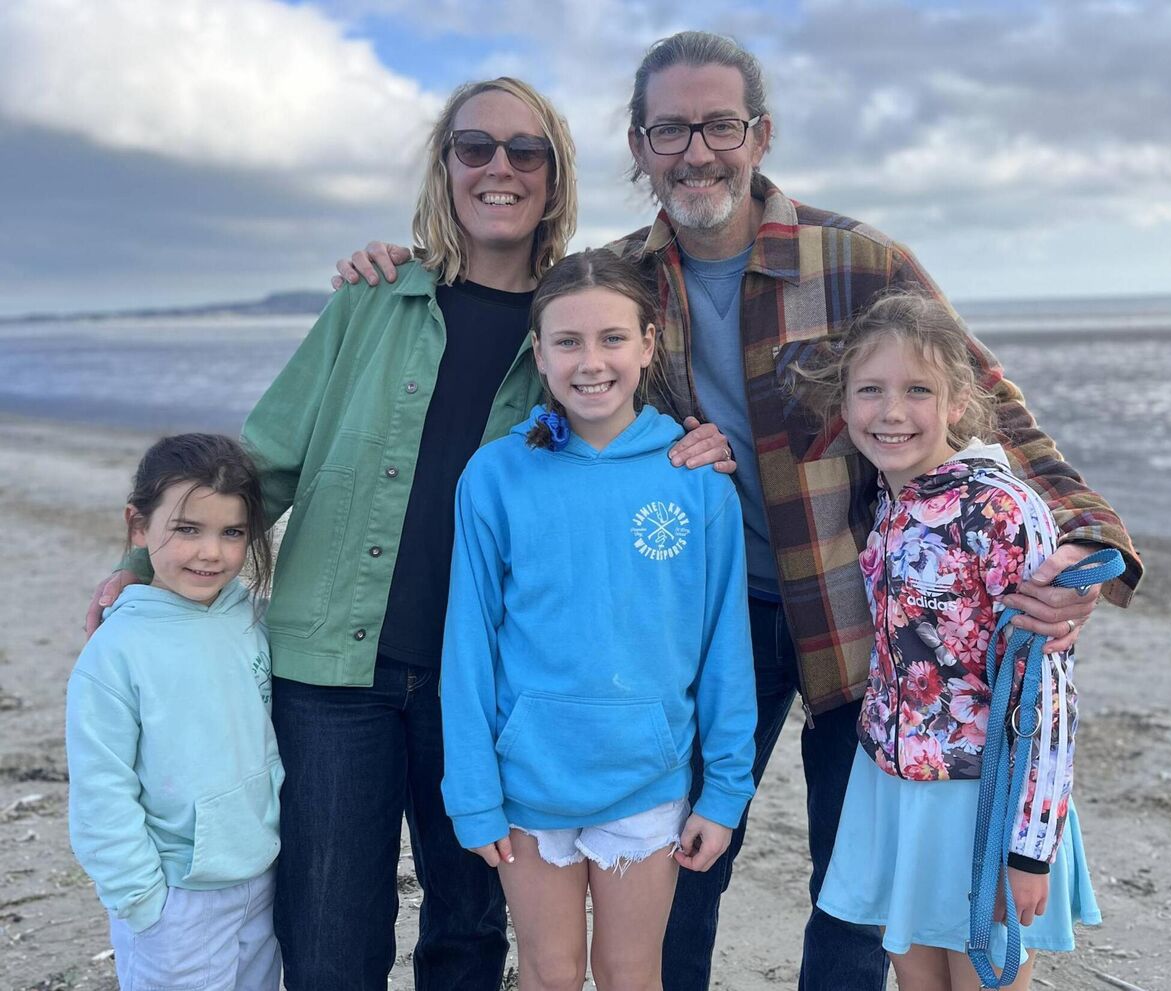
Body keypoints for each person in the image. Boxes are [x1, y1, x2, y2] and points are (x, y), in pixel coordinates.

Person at [334, 31, 1141, 991]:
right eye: (669, 131)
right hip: (712, 612)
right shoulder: (625, 279)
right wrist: (406, 265)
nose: (696, 152)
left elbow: (987, 401)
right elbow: (532, 334)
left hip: (852, 609)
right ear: (638, 146)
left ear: (760, 134)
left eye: (719, 126)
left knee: (852, 886)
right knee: (687, 859)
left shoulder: (858, 260)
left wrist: (1091, 541)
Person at [85, 76, 731, 991]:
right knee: (329, 937)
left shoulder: (567, 323)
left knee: (467, 932)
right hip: (332, 674)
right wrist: (144, 563)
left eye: (526, 150)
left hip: (485, 688)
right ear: (445, 166)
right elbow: (261, 462)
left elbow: (626, 436)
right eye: (475, 147)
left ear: (554, 174)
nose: (500, 167)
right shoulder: (373, 298)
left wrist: (702, 444)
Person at [441, 247, 757, 991]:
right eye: (568, 341)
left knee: (628, 972)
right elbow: (468, 645)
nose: (591, 362)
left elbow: (724, 648)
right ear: (539, 354)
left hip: (647, 779)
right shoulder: (495, 475)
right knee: (550, 973)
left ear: (647, 345)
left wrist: (726, 791)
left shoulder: (696, 481)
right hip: (528, 782)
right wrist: (473, 793)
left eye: (612, 338)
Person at [804, 291, 1101, 990]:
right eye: (870, 390)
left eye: (918, 390)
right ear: (844, 404)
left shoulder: (1001, 509)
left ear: (958, 401)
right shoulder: (886, 498)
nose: (892, 411)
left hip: (984, 800)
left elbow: (1047, 688)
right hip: (893, 791)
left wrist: (1028, 849)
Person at [67, 433, 282, 991]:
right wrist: (143, 902)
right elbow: (101, 791)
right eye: (187, 530)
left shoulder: (252, 619)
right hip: (175, 899)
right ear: (138, 527)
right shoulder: (116, 651)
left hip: (262, 879)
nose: (211, 552)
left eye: (232, 533)